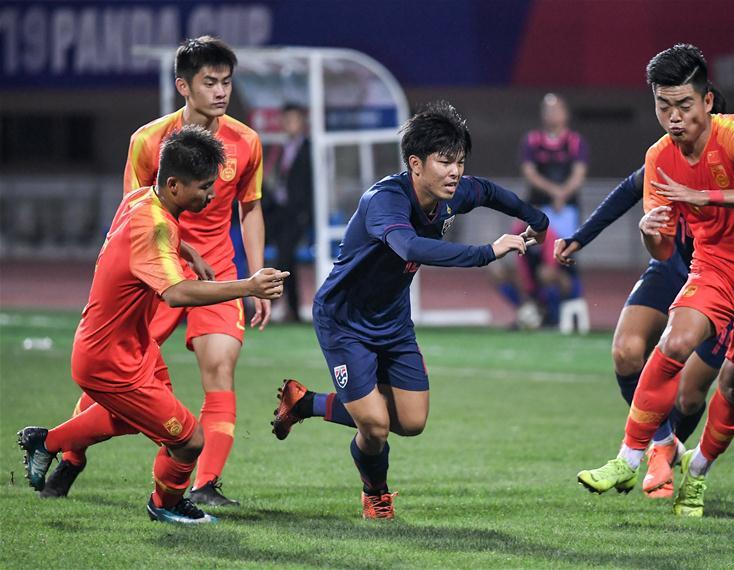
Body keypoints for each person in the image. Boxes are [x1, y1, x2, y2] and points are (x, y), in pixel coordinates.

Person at [270, 101, 549, 519]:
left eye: (459, 162)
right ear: (415, 164)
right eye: (444, 162)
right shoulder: (385, 201)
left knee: (412, 422)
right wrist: (487, 251)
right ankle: (376, 494)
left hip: (393, 322)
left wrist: (536, 219)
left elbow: (489, 191)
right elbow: (410, 246)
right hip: (345, 321)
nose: (455, 172)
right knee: (376, 427)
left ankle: (305, 402)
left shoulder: (452, 194)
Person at [576, 44, 734, 517]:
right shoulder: (659, 157)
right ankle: (628, 458)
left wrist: (699, 193)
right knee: (674, 341)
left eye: (684, 105)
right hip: (716, 267)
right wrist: (650, 234)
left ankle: (697, 473)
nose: (674, 117)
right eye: (664, 106)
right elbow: (664, 252)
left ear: (706, 101)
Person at [17, 126, 287, 524]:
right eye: (204, 187)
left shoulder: (140, 198)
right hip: (110, 361)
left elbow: (154, 239)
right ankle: (166, 505)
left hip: (130, 346)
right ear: (175, 185)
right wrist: (248, 286)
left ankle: (49, 441)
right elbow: (176, 294)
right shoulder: (156, 227)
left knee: (127, 418)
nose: (212, 196)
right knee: (189, 439)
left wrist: (190, 250)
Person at [41, 36, 266, 506]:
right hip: (158, 272)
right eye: (210, 82)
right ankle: (70, 455)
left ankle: (204, 486)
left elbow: (250, 209)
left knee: (220, 368)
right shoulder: (148, 140)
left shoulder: (246, 142)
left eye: (227, 82)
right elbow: (138, 211)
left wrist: (255, 277)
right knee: (123, 375)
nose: (221, 91)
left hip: (217, 267)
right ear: (184, 86)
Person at [555, 87, 731, 498]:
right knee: (626, 351)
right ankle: (660, 446)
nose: (679, 124)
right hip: (672, 267)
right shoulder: (667, 158)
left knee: (688, 397)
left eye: (689, 114)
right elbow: (627, 191)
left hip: (723, 280)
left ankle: (670, 455)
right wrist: (580, 238)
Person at [494, 94, 588, 326]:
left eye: (556, 109)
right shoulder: (532, 140)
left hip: (565, 212)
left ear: (565, 113)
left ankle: (562, 312)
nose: (552, 114)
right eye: (547, 110)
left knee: (560, 263)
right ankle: (531, 311)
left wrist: (562, 194)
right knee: (519, 258)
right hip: (538, 209)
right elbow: (529, 172)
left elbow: (579, 174)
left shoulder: (575, 142)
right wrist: (554, 192)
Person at [263, 103, 313, 322]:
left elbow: (311, 184)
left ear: (302, 123)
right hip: (278, 212)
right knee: (286, 260)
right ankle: (292, 310)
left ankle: (266, 302)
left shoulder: (310, 148)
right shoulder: (282, 147)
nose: (289, 124)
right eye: (286, 119)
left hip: (297, 214)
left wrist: (307, 213)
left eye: (293, 119)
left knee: (284, 256)